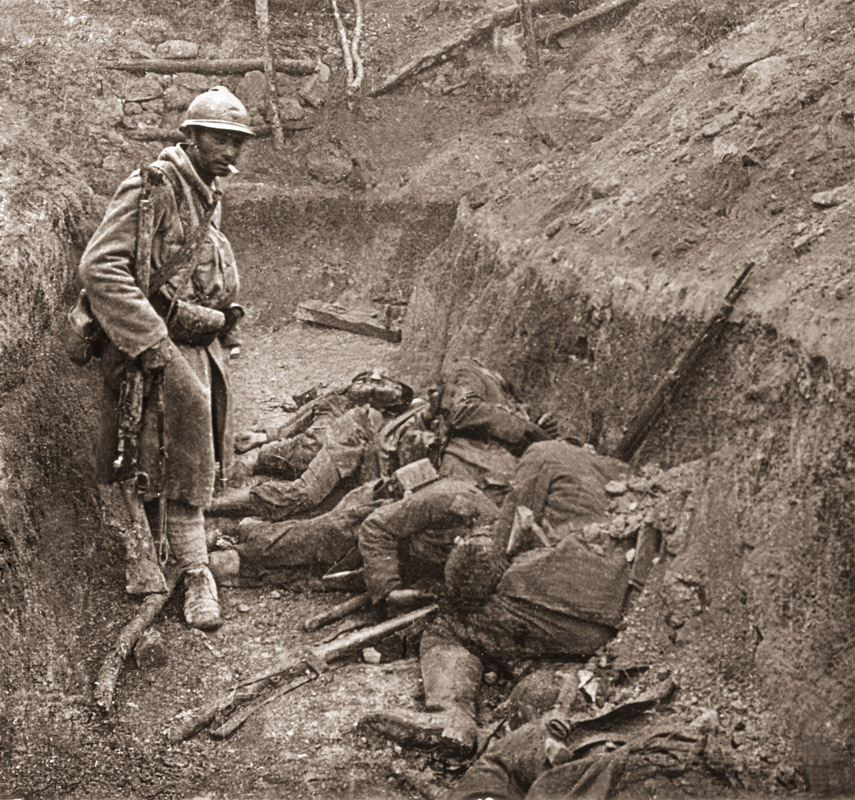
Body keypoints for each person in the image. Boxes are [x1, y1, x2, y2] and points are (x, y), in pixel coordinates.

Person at [79, 86, 254, 630]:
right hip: (149, 343)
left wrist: (223, 315)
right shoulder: (151, 187)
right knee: (167, 450)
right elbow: (100, 269)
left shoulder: (205, 190)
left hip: (192, 335)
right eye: (220, 139)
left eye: (238, 142)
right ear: (192, 136)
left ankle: (173, 548)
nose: (230, 151)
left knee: (187, 449)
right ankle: (194, 570)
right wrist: (153, 345)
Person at [360, 440, 633, 758]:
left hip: (564, 594)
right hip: (614, 618)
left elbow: (500, 549)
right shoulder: (624, 472)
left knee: (450, 625)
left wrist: (466, 592)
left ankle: (450, 715)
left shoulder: (543, 453)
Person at [209, 369, 424, 520]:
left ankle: (247, 466)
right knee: (303, 494)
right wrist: (267, 437)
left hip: (362, 444)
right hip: (352, 436)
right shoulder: (368, 408)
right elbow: (341, 398)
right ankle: (210, 505)